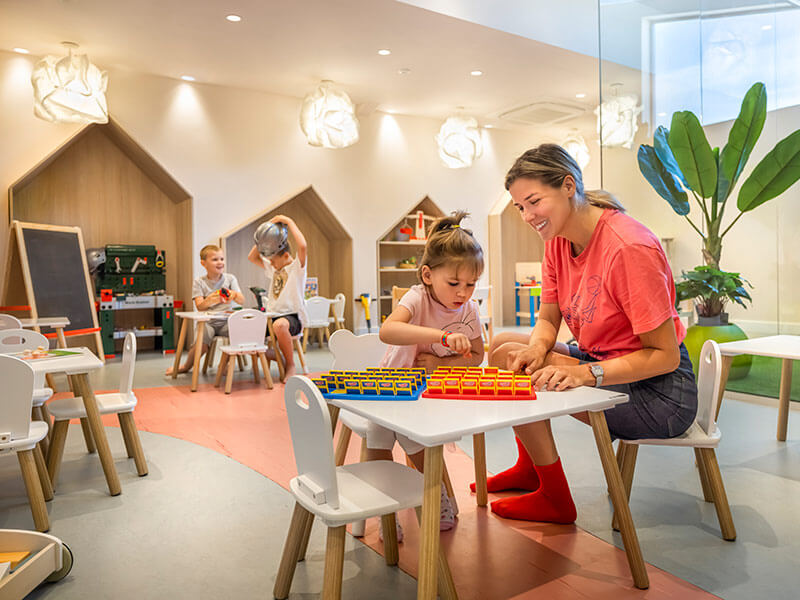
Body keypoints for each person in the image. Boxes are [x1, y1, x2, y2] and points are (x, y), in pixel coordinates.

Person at [477, 144, 698, 523]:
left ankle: (555, 498)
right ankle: (531, 468)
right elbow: (548, 318)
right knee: (504, 349)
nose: (528, 216)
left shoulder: (628, 248)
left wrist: (585, 373)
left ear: (567, 186)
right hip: (608, 363)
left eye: (534, 202)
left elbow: (666, 355)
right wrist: (537, 347)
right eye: (520, 207)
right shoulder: (557, 239)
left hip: (661, 392)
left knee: (514, 365)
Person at [375, 210, 485, 533]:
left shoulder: (470, 309)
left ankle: (435, 498)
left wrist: (442, 363)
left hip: (433, 395)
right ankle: (384, 508)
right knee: (378, 436)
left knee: (416, 441)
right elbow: (388, 331)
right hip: (393, 384)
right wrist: (441, 338)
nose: (462, 293)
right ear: (427, 275)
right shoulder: (417, 298)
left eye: (471, 284)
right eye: (454, 283)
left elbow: (477, 355)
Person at [166, 244, 245, 375]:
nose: (220, 262)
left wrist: (234, 294)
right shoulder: (199, 282)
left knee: (238, 336)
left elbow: (242, 300)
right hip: (208, 321)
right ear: (203, 263)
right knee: (201, 346)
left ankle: (225, 365)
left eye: (222, 259)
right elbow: (200, 306)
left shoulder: (230, 279)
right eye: (215, 259)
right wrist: (211, 299)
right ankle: (186, 366)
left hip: (227, 321)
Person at [247, 215, 307, 381]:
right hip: (271, 317)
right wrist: (265, 236)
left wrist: (288, 222)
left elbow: (302, 246)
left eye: (273, 260)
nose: (270, 264)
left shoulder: (297, 269)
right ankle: (277, 356)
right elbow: (252, 257)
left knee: (280, 326)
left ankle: (290, 364)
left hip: (291, 317)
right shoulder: (274, 268)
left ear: (286, 255)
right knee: (247, 329)